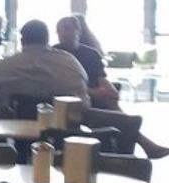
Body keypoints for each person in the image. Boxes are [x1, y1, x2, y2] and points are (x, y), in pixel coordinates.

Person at [56, 16, 169, 159]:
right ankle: (144, 146)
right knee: (123, 117)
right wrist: (94, 92)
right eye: (59, 30)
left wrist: (111, 91)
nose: (63, 33)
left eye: (67, 28)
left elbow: (101, 78)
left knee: (112, 103)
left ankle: (138, 149)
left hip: (96, 99)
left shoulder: (90, 54)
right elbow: (64, 86)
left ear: (78, 31)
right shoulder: (56, 54)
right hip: (75, 101)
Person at [0, 20, 88, 107]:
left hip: (13, 129)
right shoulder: (71, 62)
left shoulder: (7, 65)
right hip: (66, 131)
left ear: (22, 40)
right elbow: (85, 99)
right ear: (47, 39)